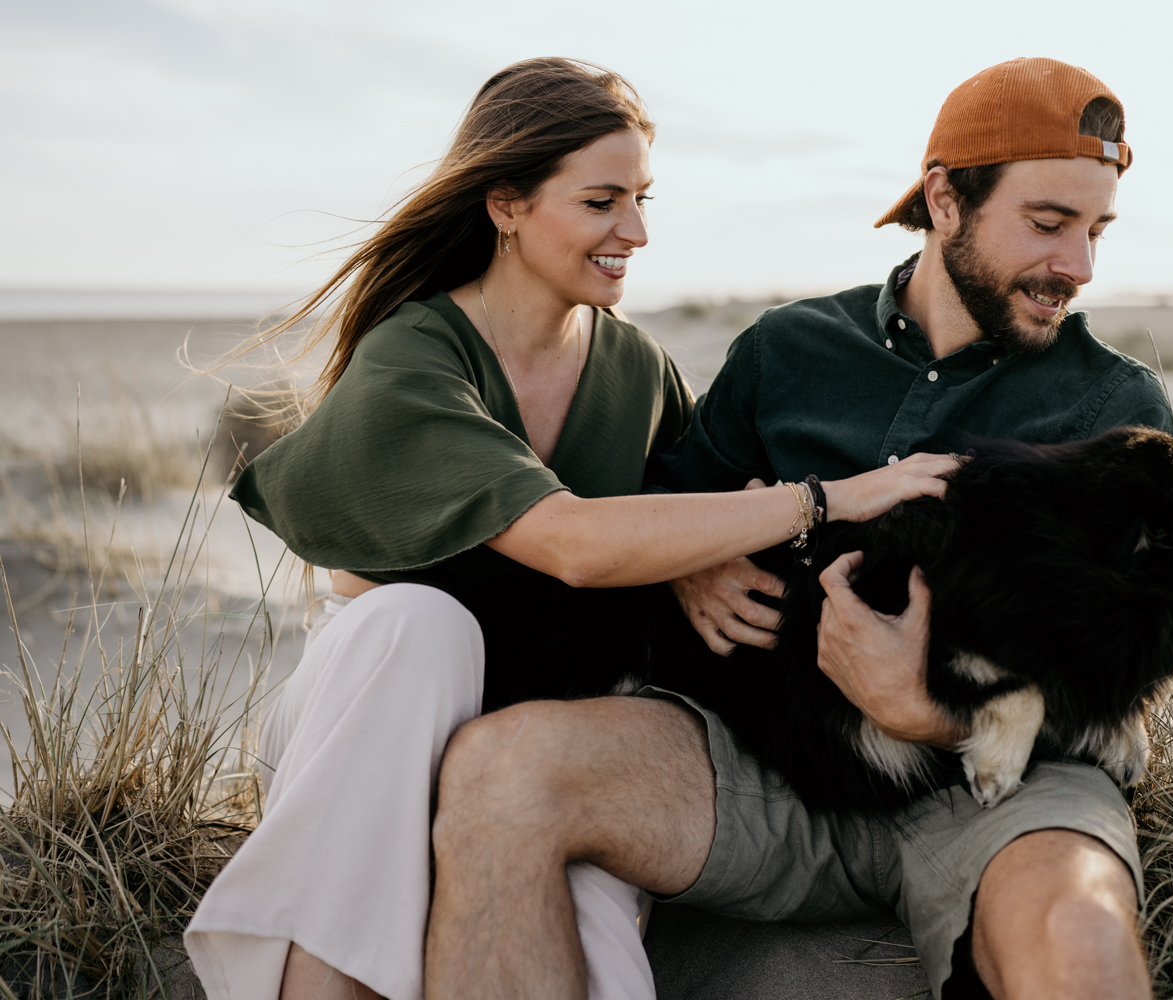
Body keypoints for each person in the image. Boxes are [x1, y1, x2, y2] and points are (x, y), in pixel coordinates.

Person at [182, 57, 955, 1000]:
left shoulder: (635, 368)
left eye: (642, 197)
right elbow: (577, 543)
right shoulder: (415, 359)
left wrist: (690, 566)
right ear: (506, 205)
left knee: (582, 937)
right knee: (420, 625)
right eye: (601, 201)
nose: (634, 230)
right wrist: (827, 497)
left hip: (541, 736)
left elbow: (686, 504)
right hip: (372, 729)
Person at [427, 57, 1173, 1000]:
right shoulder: (788, 351)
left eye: (1097, 230)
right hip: (763, 770)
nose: (1078, 266)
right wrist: (694, 565)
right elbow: (662, 510)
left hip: (997, 788)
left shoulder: (1116, 405)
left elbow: (1130, 685)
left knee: (1080, 936)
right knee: (500, 774)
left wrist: (926, 710)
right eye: (1048, 224)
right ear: (945, 202)